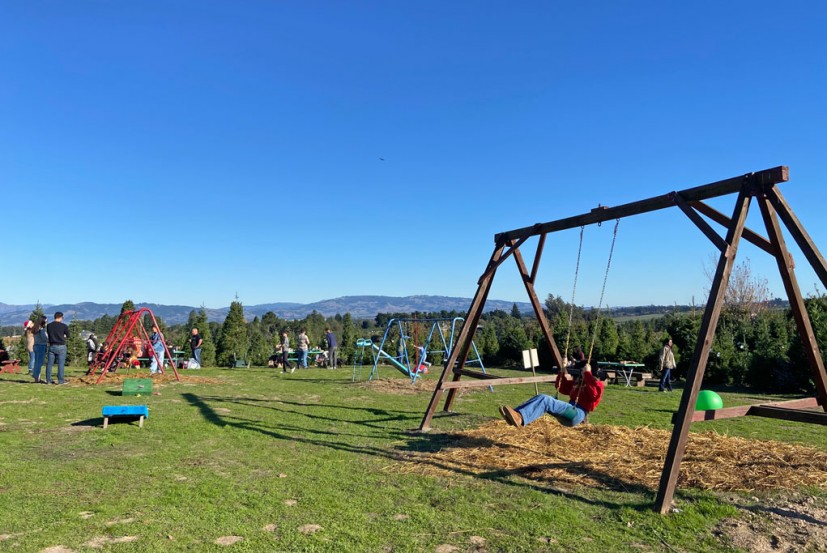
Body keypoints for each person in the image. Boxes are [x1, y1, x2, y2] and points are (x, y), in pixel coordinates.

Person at [499, 363, 605, 429]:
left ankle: (520, 418)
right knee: (541, 397)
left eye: (582, 372)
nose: (580, 376)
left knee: (545, 400)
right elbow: (561, 387)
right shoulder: (577, 383)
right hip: (568, 413)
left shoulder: (597, 385)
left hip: (577, 414)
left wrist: (587, 375)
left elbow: (593, 395)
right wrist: (562, 372)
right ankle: (514, 415)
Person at [45, 312, 70, 385]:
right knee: (60, 364)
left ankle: (48, 380)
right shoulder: (64, 326)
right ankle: (60, 380)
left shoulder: (49, 326)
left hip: (52, 345)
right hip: (61, 346)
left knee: (49, 364)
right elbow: (68, 335)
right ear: (61, 317)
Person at [31, 316, 48, 382]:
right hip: (41, 346)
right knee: (39, 362)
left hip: (36, 345)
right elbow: (44, 338)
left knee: (36, 362)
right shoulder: (41, 330)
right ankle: (37, 376)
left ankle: (36, 376)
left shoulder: (35, 329)